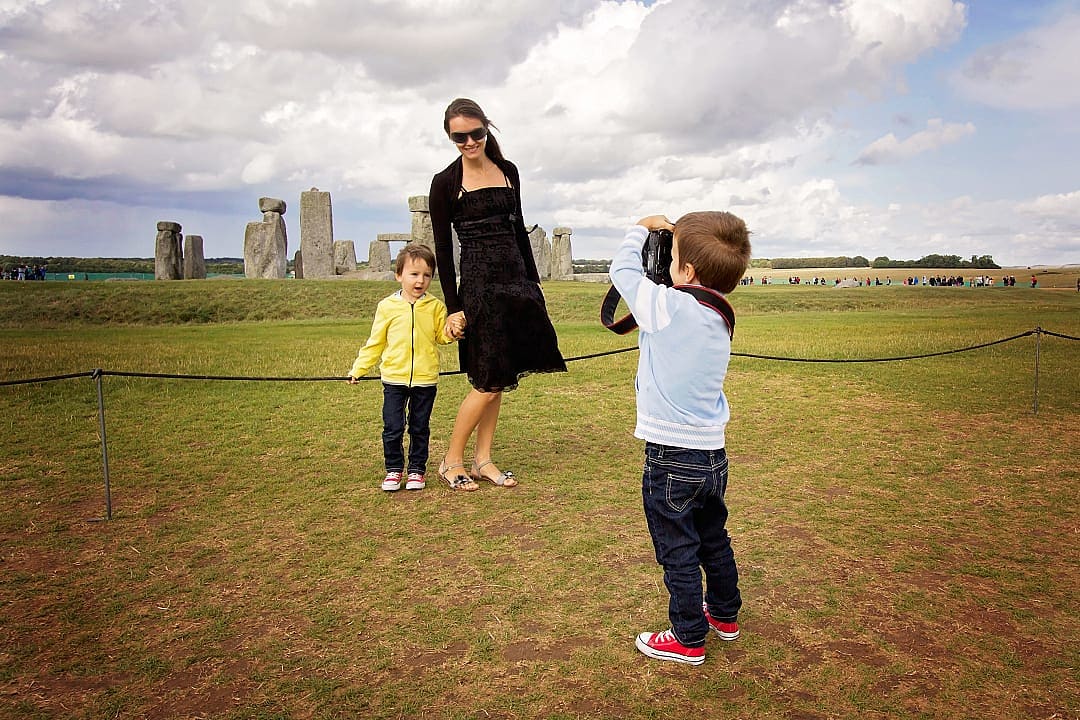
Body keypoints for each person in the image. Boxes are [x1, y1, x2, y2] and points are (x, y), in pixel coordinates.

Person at [610, 211, 751, 666]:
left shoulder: (667, 306)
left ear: (686, 271)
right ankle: (724, 615)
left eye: (672, 257)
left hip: (670, 454)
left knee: (678, 549)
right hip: (712, 452)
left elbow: (622, 272)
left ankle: (688, 636)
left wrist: (639, 228)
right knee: (713, 537)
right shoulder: (719, 313)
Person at [429, 97, 567, 491]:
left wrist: (533, 285)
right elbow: (443, 249)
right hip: (478, 287)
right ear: (450, 137)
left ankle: (482, 459)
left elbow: (518, 228)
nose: (470, 142)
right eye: (460, 136)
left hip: (515, 283)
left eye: (477, 133)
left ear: (487, 129)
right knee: (486, 380)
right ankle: (451, 460)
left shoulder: (508, 171)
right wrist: (454, 308)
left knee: (501, 375)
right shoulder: (445, 182)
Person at [347, 244, 458, 492]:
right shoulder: (387, 306)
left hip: (425, 379)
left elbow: (441, 336)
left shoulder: (436, 307)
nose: (420, 281)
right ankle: (394, 470)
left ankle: (417, 470)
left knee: (420, 427)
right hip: (393, 379)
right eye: (414, 274)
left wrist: (451, 333)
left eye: (426, 275)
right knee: (393, 427)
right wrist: (358, 369)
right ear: (399, 275)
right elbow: (375, 343)